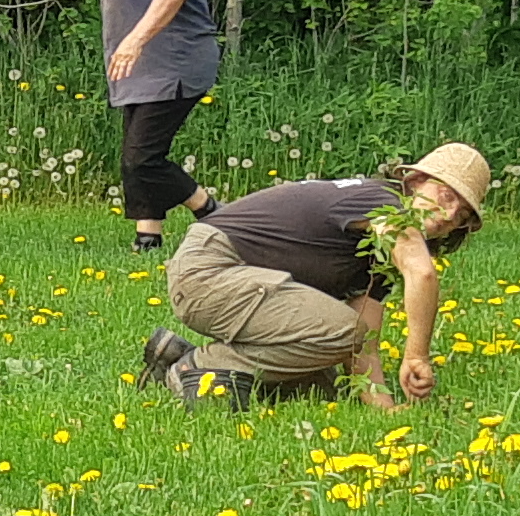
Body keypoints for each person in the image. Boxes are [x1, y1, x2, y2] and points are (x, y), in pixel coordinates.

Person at [139, 144, 491, 411]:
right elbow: (422, 273)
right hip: (209, 269)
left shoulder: (377, 249)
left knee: (319, 386)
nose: (448, 214)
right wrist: (417, 357)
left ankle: (175, 356)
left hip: (233, 280)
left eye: (462, 215)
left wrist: (384, 408)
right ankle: (195, 368)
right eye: (446, 195)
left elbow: (362, 339)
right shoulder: (383, 200)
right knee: (340, 332)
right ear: (414, 182)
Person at [101, 0, 229, 252]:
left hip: (172, 63)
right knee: (135, 155)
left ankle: (212, 211)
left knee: (142, 159)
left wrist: (133, 42)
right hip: (149, 67)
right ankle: (148, 238)